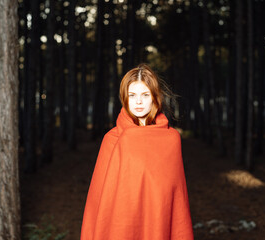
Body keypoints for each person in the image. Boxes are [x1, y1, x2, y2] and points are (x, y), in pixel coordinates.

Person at [80, 64, 194, 240]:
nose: (138, 102)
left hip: (158, 225)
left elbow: (176, 200)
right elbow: (99, 201)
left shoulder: (171, 139)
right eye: (132, 95)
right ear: (125, 98)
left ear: (155, 98)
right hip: (120, 227)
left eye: (145, 95)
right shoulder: (113, 139)